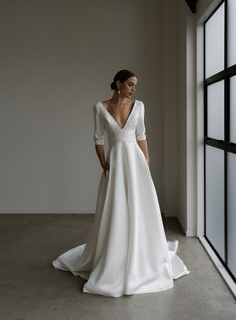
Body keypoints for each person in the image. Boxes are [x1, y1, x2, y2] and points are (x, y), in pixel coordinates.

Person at [51, 69, 190, 298]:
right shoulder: (99, 107)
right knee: (115, 207)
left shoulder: (140, 106)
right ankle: (114, 254)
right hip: (115, 163)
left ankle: (140, 253)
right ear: (118, 84)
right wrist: (104, 164)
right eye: (130, 84)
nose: (134, 88)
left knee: (139, 206)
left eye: (135, 85)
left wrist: (146, 161)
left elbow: (141, 135)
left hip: (135, 162)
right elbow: (97, 139)